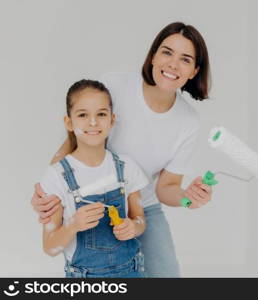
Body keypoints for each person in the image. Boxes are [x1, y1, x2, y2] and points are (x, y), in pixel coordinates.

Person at [32, 22, 213, 277]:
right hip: (89, 199)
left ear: (194, 71)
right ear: (152, 56)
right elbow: (72, 144)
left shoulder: (188, 122)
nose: (173, 64)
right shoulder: (115, 86)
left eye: (185, 59)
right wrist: (46, 194)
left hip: (141, 204)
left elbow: (167, 188)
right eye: (167, 52)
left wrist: (188, 199)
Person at [40, 79, 149, 278]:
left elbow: (140, 220)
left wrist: (133, 227)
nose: (93, 122)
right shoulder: (57, 176)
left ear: (112, 120)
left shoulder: (126, 167)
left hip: (132, 272)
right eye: (83, 115)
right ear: (69, 122)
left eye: (101, 114)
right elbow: (49, 247)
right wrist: (73, 225)